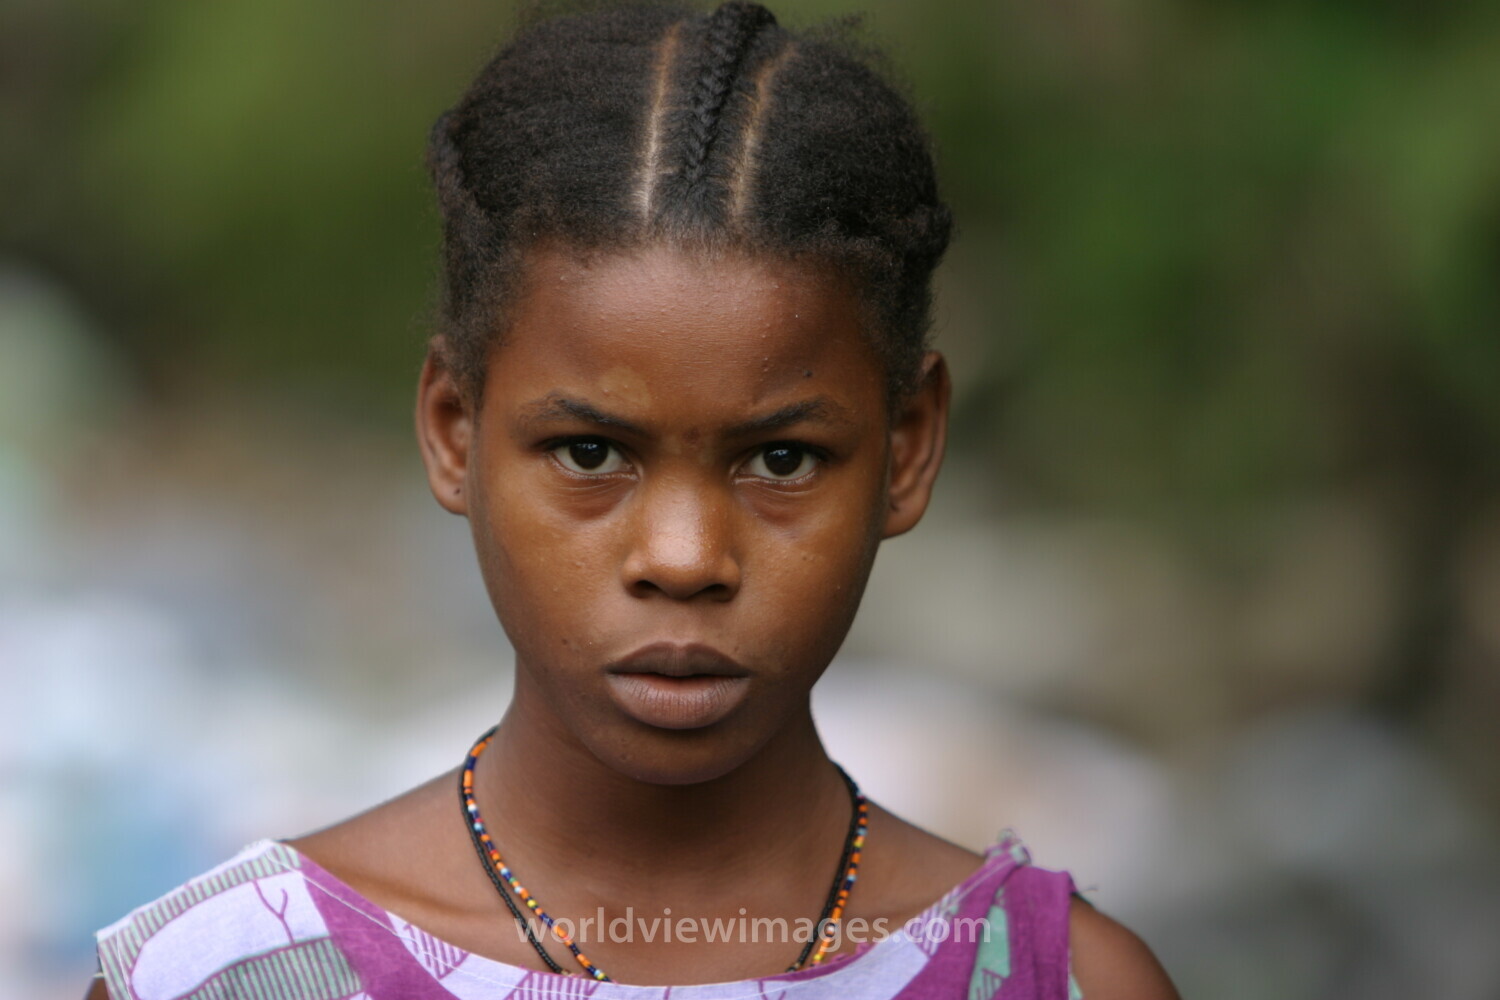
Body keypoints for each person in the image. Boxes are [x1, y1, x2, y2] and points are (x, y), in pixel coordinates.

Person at [88, 2, 1179, 997]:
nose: (684, 557)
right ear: (454, 431)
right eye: (589, 452)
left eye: (783, 460)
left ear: (908, 448)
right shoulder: (226, 979)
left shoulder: (1065, 982)